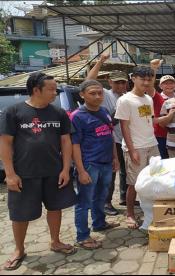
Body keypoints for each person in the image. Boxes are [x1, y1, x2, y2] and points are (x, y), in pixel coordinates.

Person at [0, 72, 77, 271]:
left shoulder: (58, 113)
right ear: (36, 90)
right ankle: (19, 249)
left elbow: (66, 141)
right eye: (51, 89)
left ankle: (55, 241)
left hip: (54, 171)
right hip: (24, 174)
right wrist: (9, 174)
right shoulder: (14, 112)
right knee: (20, 214)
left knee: (55, 207)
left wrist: (66, 168)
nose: (55, 92)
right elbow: (5, 143)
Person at [71, 80, 120, 249]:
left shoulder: (105, 111)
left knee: (101, 197)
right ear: (82, 94)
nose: (98, 96)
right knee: (84, 202)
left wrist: (115, 158)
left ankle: (99, 223)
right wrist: (81, 170)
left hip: (106, 162)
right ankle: (82, 236)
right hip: (89, 164)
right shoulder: (77, 116)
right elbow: (74, 145)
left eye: (100, 93)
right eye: (93, 93)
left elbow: (110, 135)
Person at [115, 66, 160, 229]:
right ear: (133, 78)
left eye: (149, 79)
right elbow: (124, 126)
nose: (146, 83)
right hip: (136, 147)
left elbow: (149, 120)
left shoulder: (148, 99)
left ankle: (153, 210)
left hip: (152, 145)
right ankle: (130, 214)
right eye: (143, 79)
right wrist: (132, 150)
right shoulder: (125, 100)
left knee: (154, 180)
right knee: (133, 183)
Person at [86, 53, 128, 216]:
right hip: (111, 139)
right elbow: (89, 80)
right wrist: (101, 61)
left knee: (126, 171)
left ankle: (124, 197)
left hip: (125, 139)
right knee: (111, 172)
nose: (121, 85)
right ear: (110, 82)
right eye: (117, 82)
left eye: (123, 82)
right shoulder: (104, 94)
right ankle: (106, 202)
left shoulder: (127, 96)